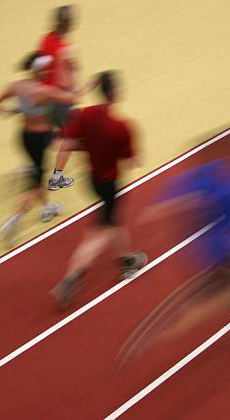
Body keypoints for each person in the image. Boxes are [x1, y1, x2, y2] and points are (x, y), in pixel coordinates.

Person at [114, 139, 230, 370]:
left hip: (206, 249)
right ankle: (200, 317)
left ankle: (225, 304)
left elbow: (177, 202)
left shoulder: (198, 177)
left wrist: (159, 212)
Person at [50, 71, 146, 310]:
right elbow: (132, 160)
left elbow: (67, 143)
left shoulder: (84, 115)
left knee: (113, 220)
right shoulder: (120, 127)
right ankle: (71, 278)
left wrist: (89, 146)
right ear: (115, 93)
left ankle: (127, 259)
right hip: (109, 182)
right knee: (99, 232)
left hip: (91, 180)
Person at [0, 52, 75, 246]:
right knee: (35, 185)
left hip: (25, 137)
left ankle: (48, 206)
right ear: (38, 70)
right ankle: (13, 221)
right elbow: (70, 97)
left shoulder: (16, 87)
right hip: (41, 139)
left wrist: (11, 111)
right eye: (45, 69)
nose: (48, 71)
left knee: (38, 171)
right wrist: (69, 75)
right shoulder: (44, 91)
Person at [38, 4, 97, 191]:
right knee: (71, 137)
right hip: (60, 99)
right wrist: (77, 92)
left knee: (54, 131)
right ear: (71, 24)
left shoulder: (45, 39)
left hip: (42, 95)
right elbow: (68, 78)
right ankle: (56, 178)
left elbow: (40, 66)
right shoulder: (68, 49)